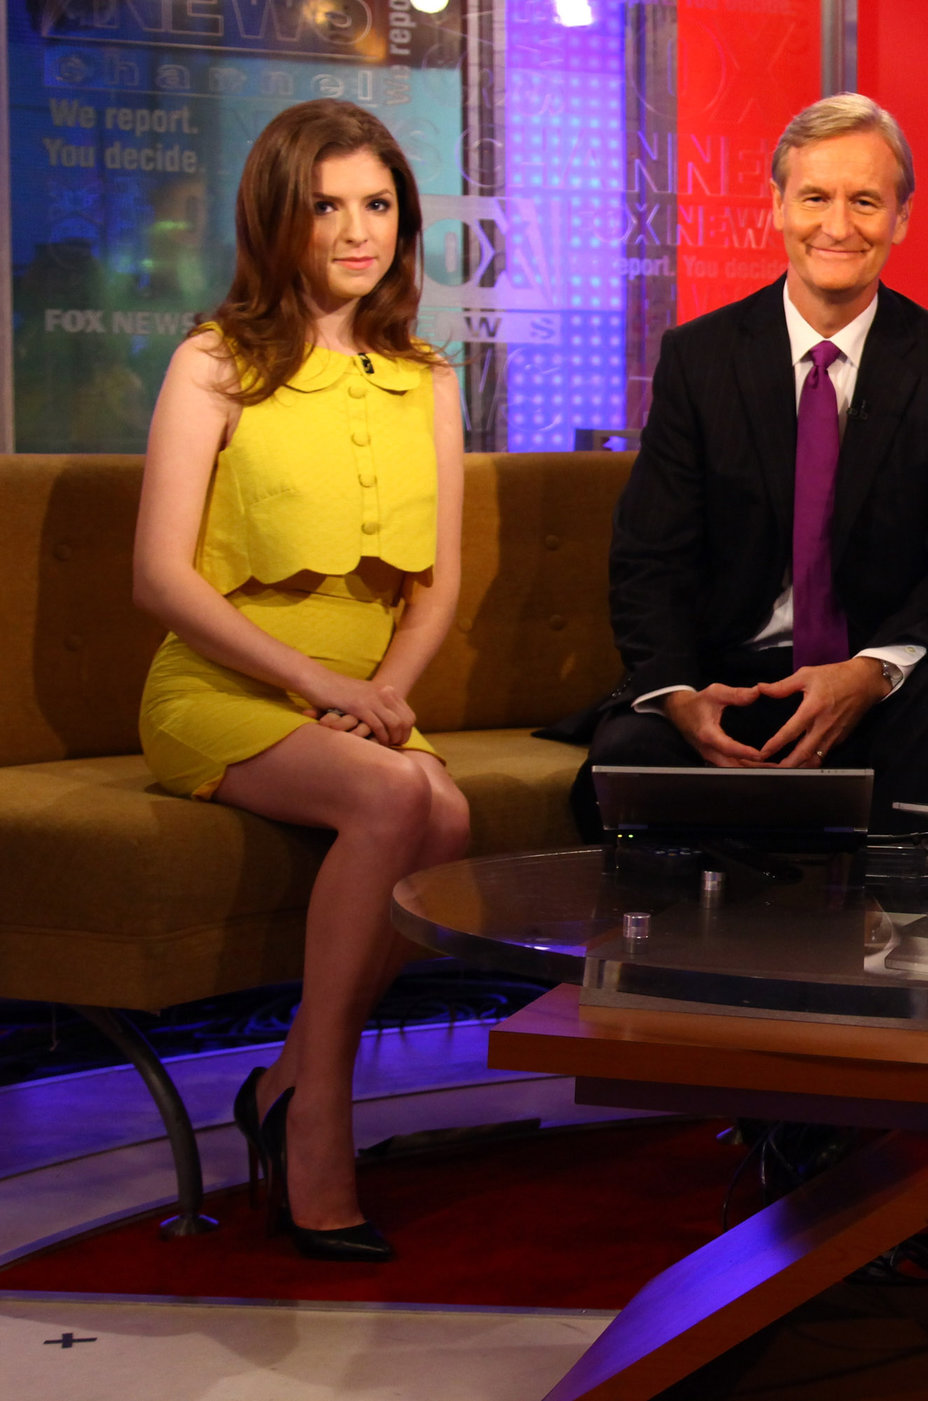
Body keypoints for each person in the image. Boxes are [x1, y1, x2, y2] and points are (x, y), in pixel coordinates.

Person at [133, 99, 470, 1262]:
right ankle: (321, 1110)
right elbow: (161, 581)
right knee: (393, 798)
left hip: (360, 694)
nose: (355, 230)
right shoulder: (214, 361)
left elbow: (439, 584)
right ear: (280, 215)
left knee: (451, 808)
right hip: (224, 681)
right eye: (327, 206)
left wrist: (384, 692)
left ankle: (280, 1079)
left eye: (376, 204)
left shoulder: (425, 375)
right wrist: (328, 694)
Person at [563, 94, 928, 835]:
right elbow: (649, 555)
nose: (837, 226)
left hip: (881, 680)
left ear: (900, 218)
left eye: (865, 201)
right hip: (730, 680)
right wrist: (679, 691)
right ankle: (684, 951)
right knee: (633, 748)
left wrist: (870, 671)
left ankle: (901, 939)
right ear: (777, 206)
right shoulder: (700, 358)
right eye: (815, 197)